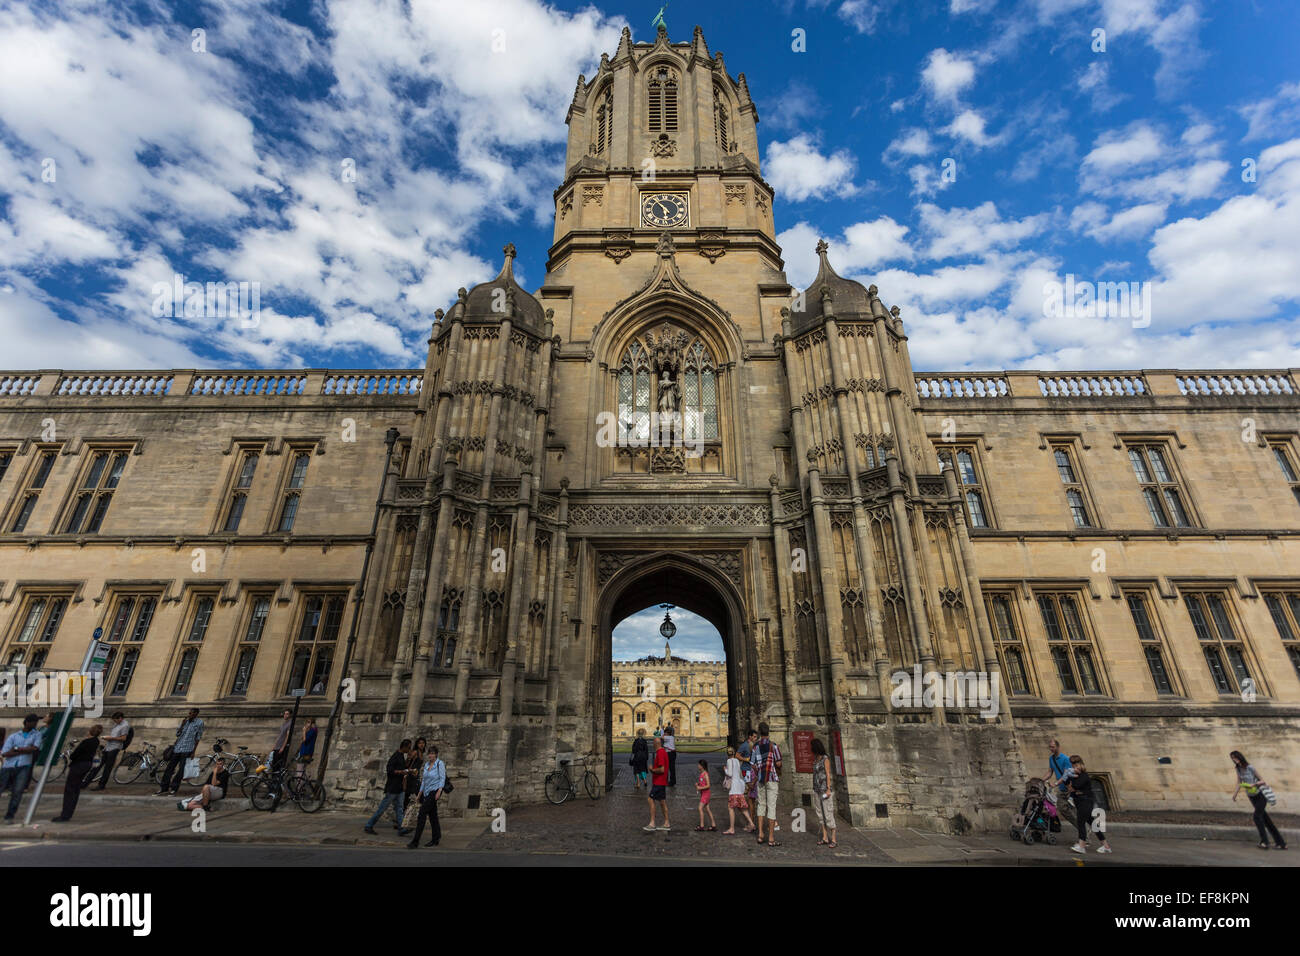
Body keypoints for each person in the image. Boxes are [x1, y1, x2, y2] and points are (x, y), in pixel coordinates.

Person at [1231, 750, 1286, 850]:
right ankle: (1281, 843)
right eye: (1233, 758)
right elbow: (1239, 782)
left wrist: (1254, 784)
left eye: (1235, 757)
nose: (1234, 760)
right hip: (1251, 797)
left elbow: (1262, 781)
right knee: (1266, 820)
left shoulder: (1250, 767)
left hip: (1260, 796)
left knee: (1257, 817)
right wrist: (1235, 794)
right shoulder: (1238, 769)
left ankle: (1265, 842)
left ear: (1240, 757)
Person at [51, 724, 101, 822]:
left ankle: (65, 814)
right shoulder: (96, 741)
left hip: (78, 766)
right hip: (87, 765)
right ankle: (68, 813)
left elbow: (74, 755)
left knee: (70, 790)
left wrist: (73, 757)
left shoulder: (86, 742)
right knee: (75, 789)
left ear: (90, 731)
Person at [364, 739, 413, 836]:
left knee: (399, 808)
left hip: (399, 788)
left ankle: (401, 828)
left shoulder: (402, 756)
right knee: (382, 808)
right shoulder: (395, 756)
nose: (410, 749)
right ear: (404, 747)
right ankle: (369, 825)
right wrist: (401, 772)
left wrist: (409, 759)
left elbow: (403, 767)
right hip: (392, 788)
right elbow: (390, 770)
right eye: (409, 747)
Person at [1, 714, 44, 822]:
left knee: (17, 791)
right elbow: (5, 753)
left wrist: (16, 749)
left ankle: (9, 816)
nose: (35, 724)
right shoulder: (14, 736)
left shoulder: (36, 735)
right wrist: (24, 750)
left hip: (24, 766)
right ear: (27, 722)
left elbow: (34, 748)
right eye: (33, 722)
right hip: (8, 766)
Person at [1066, 755, 1112, 854]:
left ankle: (1082, 846)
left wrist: (1071, 784)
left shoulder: (1084, 776)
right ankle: (1106, 846)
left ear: (1081, 766)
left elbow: (1075, 786)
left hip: (1085, 801)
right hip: (1080, 801)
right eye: (1073, 766)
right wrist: (1068, 778)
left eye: (1076, 766)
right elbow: (1068, 786)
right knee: (1093, 824)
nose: (1074, 768)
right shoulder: (1075, 777)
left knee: (1081, 822)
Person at [157, 708, 204, 795]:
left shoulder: (200, 723)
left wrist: (193, 752)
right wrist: (182, 725)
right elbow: (177, 734)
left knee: (181, 770)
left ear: (196, 714)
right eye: (189, 713)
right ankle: (164, 788)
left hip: (188, 749)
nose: (189, 714)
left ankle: (174, 788)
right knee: (169, 768)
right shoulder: (185, 721)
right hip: (177, 748)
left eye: (191, 713)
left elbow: (198, 738)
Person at [407, 745, 446, 849]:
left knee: (422, 814)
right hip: (426, 792)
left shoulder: (439, 763)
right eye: (429, 753)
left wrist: (439, 791)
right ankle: (436, 837)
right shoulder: (426, 764)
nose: (431, 755)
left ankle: (415, 841)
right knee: (433, 816)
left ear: (436, 754)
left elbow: (442, 778)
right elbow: (424, 781)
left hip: (435, 792)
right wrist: (419, 794)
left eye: (433, 753)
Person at [753, 722, 782, 847]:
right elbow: (779, 763)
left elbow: (753, 764)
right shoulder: (773, 745)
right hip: (771, 778)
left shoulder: (755, 747)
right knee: (771, 807)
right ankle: (771, 838)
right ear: (768, 732)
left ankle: (760, 834)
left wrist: (759, 770)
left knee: (761, 806)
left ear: (759, 732)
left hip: (761, 779)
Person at [92, 711, 131, 790]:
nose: (114, 722)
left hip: (114, 748)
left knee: (107, 768)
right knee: (98, 765)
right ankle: (86, 781)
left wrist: (110, 738)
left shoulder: (125, 726)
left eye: (115, 720)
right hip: (108, 747)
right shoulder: (118, 724)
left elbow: (123, 738)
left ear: (120, 718)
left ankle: (101, 785)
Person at [810, 737, 837, 848]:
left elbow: (827, 774)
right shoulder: (816, 759)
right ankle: (825, 837)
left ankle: (834, 838)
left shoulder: (825, 759)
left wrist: (828, 788)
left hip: (824, 789)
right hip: (817, 789)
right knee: (820, 813)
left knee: (828, 813)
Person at [722, 746, 755, 834]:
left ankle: (732, 828)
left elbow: (730, 773)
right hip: (739, 787)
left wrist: (725, 769)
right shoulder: (737, 760)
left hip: (734, 788)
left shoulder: (729, 761)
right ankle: (751, 824)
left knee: (731, 807)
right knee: (742, 808)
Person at [643, 736, 670, 832]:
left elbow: (662, 769)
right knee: (662, 802)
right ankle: (666, 823)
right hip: (661, 781)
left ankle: (652, 823)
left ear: (657, 743)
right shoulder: (662, 752)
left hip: (659, 781)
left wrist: (652, 770)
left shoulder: (661, 753)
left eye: (653, 743)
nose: (653, 745)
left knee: (650, 799)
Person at [1045, 737, 1074, 817]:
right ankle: (1081, 827)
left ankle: (1086, 826)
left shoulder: (1066, 759)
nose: (1051, 749)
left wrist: (1055, 784)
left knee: (1075, 809)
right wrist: (1041, 780)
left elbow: (1065, 775)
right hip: (1061, 788)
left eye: (1053, 747)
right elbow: (1050, 772)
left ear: (1058, 747)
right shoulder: (1051, 758)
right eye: (1050, 747)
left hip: (1070, 788)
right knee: (1062, 808)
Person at [402, 737, 426, 827]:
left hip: (415, 778)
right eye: (420, 743)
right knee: (408, 798)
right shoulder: (415, 752)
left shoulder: (421, 753)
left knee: (417, 798)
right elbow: (408, 764)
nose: (421, 744)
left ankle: (408, 819)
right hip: (411, 777)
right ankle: (402, 819)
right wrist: (410, 769)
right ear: (417, 744)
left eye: (423, 743)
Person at [739, 728, 759, 821]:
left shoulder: (756, 746)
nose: (755, 738)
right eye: (754, 737)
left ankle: (751, 817)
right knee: (748, 795)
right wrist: (745, 759)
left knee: (752, 797)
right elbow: (737, 755)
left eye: (756, 737)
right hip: (746, 771)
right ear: (749, 737)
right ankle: (750, 817)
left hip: (753, 772)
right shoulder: (744, 745)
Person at [695, 759, 716, 831]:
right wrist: (698, 784)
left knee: (700, 808)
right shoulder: (702, 774)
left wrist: (699, 787)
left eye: (699, 765)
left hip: (705, 794)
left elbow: (708, 785)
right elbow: (702, 783)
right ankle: (713, 825)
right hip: (703, 794)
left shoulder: (705, 774)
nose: (698, 766)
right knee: (707, 809)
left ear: (702, 766)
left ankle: (702, 826)